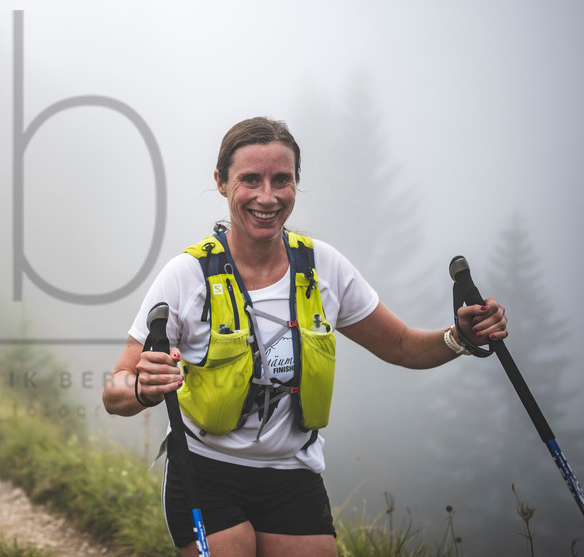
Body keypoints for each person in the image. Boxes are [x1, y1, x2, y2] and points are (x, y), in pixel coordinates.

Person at [102, 117, 507, 557]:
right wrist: (141, 387)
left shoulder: (324, 267)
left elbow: (401, 345)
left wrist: (460, 337)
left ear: (296, 183)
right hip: (205, 471)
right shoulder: (187, 276)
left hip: (293, 475)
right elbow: (114, 389)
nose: (267, 196)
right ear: (220, 182)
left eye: (282, 180)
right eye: (250, 180)